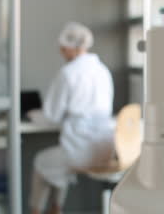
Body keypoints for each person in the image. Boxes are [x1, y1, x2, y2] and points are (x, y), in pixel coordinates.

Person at [29, 22, 115, 214]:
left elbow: (51, 115)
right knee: (57, 164)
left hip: (81, 149)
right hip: (106, 146)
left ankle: (38, 210)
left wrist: (32, 115)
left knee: (42, 162)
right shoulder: (102, 71)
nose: (61, 51)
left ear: (70, 48)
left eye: (62, 47)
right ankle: (56, 208)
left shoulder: (68, 73)